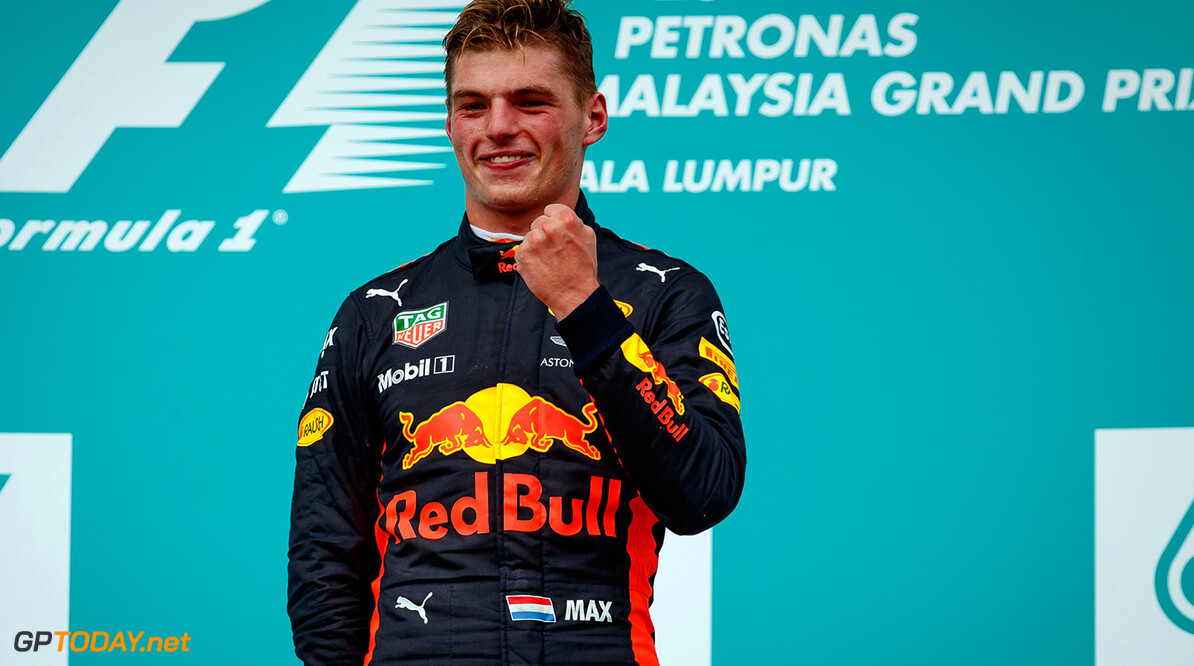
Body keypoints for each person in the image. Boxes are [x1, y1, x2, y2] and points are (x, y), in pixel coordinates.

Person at [287, 0, 746, 663]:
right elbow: (325, 550)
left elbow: (702, 492)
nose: (498, 128)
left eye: (529, 101)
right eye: (473, 105)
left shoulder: (663, 292)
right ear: (449, 122)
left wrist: (584, 307)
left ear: (593, 117)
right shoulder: (376, 310)